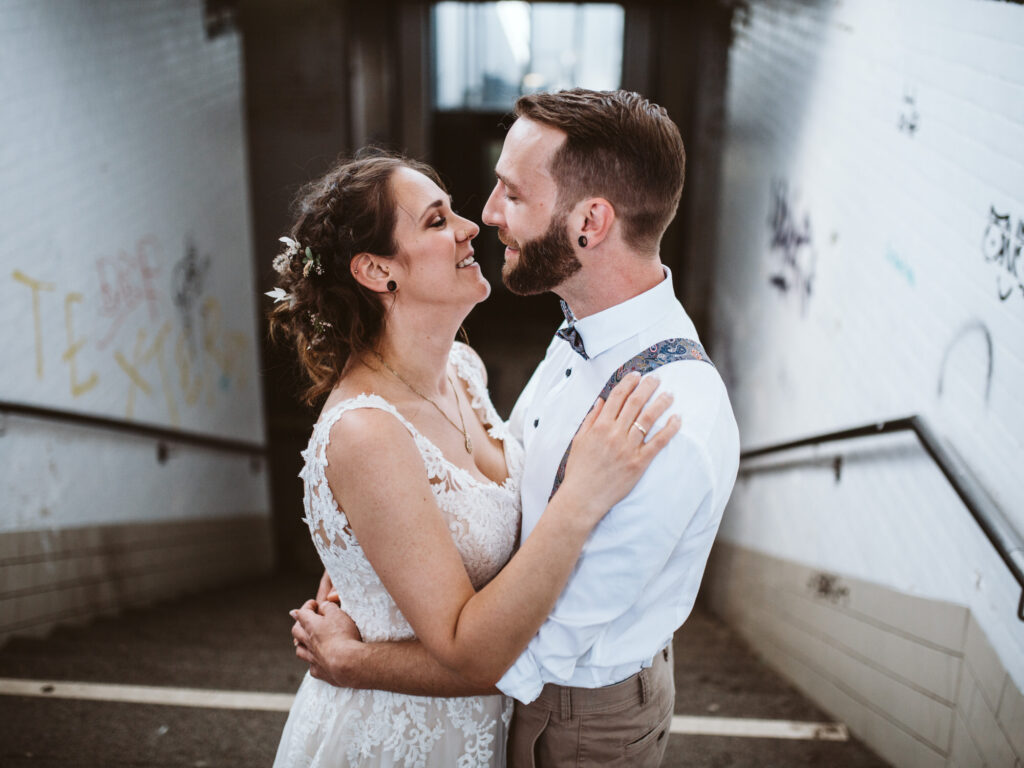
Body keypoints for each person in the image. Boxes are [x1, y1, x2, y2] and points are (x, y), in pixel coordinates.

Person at [291, 89, 740, 767]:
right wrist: (369, 555)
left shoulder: (667, 418)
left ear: (590, 222)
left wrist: (356, 660)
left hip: (575, 717)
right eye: (442, 217)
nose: (485, 216)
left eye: (512, 194)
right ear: (377, 271)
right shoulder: (571, 336)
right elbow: (472, 485)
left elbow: (525, 651)